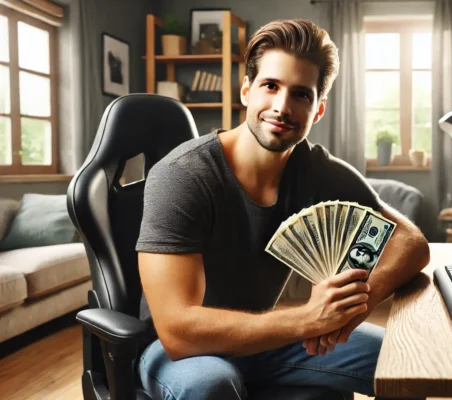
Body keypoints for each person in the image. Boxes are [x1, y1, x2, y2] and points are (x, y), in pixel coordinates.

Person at [135, 18, 430, 400]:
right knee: (210, 386)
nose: (281, 107)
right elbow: (177, 331)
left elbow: (411, 241)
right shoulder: (183, 177)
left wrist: (351, 305)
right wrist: (307, 318)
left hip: (272, 339)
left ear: (318, 110)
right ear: (246, 91)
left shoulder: (316, 171)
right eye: (270, 86)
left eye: (301, 95)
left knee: (405, 361)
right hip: (185, 352)